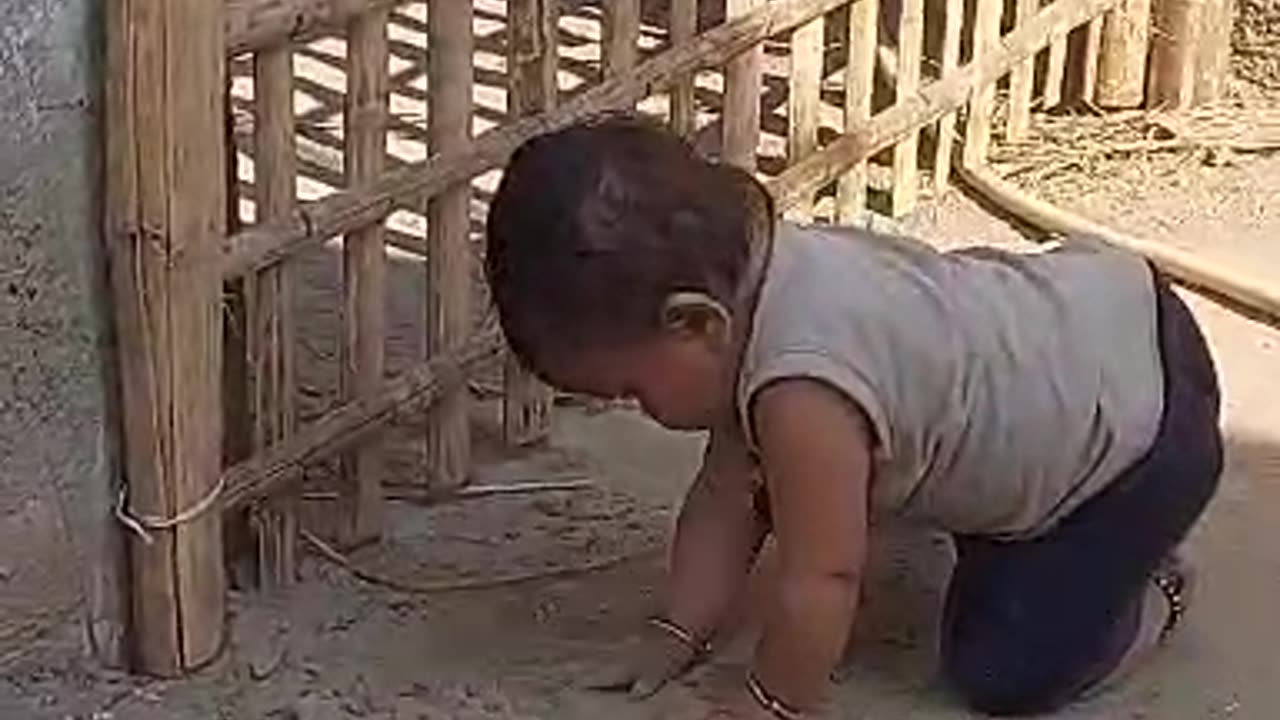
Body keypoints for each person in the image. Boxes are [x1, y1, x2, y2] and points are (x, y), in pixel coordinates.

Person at [483, 113, 1223, 719]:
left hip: (1143, 437)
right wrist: (677, 630)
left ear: (695, 324)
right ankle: (1025, 513)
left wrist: (772, 700)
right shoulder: (766, 274)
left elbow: (822, 579)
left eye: (632, 393)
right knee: (865, 479)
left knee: (1004, 671)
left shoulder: (802, 389)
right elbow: (724, 498)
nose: (640, 413)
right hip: (1100, 310)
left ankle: (1148, 586)